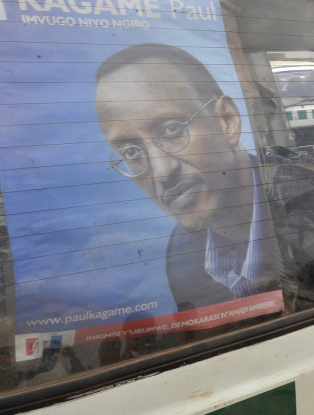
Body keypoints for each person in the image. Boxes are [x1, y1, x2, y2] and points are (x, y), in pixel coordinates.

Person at [95, 44, 280, 311]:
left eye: (171, 129)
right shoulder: (182, 253)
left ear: (227, 120)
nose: (161, 172)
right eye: (131, 152)